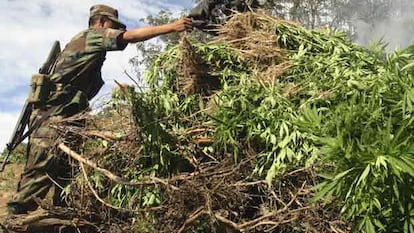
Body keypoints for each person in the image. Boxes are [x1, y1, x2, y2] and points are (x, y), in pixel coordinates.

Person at [7, 4, 192, 215]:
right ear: (102, 22)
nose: (114, 31)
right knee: (43, 166)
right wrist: (172, 26)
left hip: (71, 116)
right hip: (54, 114)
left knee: (68, 171)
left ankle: (64, 217)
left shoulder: (92, 50)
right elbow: (129, 37)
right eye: (113, 26)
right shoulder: (91, 36)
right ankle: (16, 216)